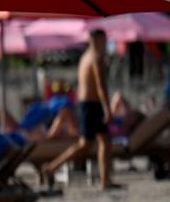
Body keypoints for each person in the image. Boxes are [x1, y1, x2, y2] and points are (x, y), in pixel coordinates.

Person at [45, 29, 119, 189]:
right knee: (85, 144)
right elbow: (101, 86)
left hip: (86, 104)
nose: (106, 45)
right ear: (100, 41)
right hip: (92, 105)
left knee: (104, 140)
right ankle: (52, 167)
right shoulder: (96, 58)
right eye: (105, 41)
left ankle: (105, 180)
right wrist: (108, 109)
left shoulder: (85, 56)